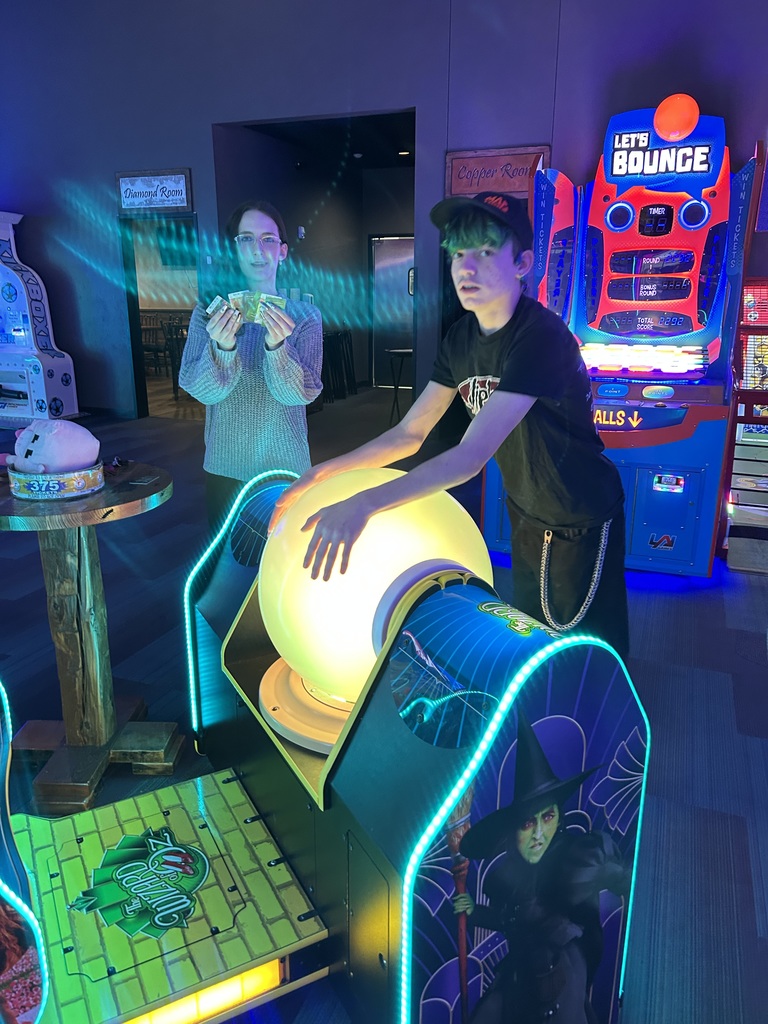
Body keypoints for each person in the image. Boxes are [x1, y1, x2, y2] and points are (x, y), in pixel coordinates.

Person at [272, 191, 628, 658]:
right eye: (459, 253)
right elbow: (410, 433)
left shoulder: (539, 336)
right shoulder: (460, 338)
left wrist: (363, 505)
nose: (466, 267)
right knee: (535, 638)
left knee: (582, 646)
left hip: (579, 511)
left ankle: (607, 729)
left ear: (522, 262)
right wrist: (321, 474)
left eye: (484, 251)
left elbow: (469, 456)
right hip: (527, 509)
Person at [451, 711, 630, 1023]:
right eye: (527, 823)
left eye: (547, 817)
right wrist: (473, 911)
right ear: (513, 831)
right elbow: (511, 920)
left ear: (559, 818)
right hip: (522, 973)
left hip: (565, 975)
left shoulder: (575, 856)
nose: (538, 835)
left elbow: (616, 876)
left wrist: (613, 875)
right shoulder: (509, 877)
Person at [179, 200, 323, 529]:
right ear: (234, 249)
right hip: (225, 464)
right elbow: (203, 392)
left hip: (285, 466)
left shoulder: (304, 317)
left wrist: (277, 346)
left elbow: (298, 395)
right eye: (246, 239)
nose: (257, 250)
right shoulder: (208, 312)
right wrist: (224, 345)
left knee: (282, 569)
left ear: (283, 251)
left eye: (267, 239)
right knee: (225, 570)